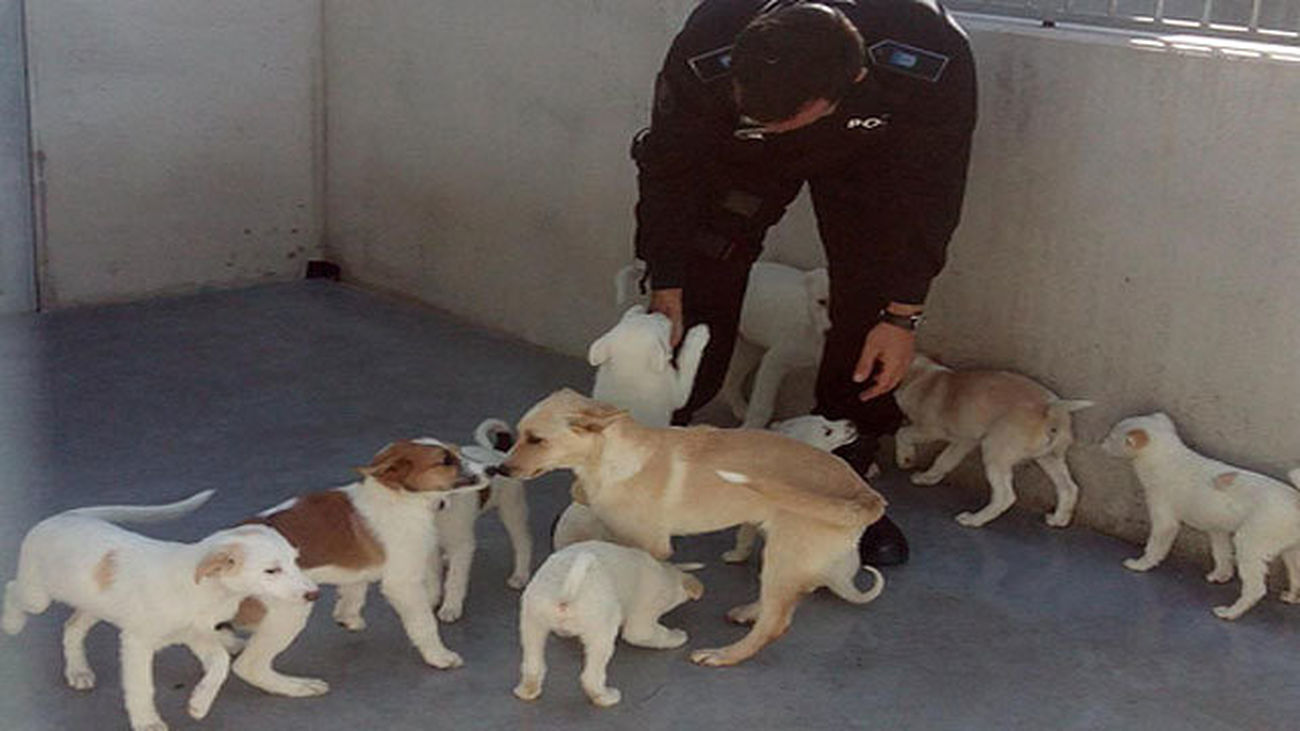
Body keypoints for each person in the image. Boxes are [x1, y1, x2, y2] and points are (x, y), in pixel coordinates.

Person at [631, 0, 977, 565]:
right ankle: (634, 480)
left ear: (857, 75)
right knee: (693, 289)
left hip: (872, 156)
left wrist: (903, 315)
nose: (768, 119)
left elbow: (932, 195)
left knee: (870, 309)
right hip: (741, 161)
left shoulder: (929, 53)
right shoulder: (709, 43)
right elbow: (669, 171)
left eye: (784, 116)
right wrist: (665, 284)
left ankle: (841, 493)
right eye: (756, 106)